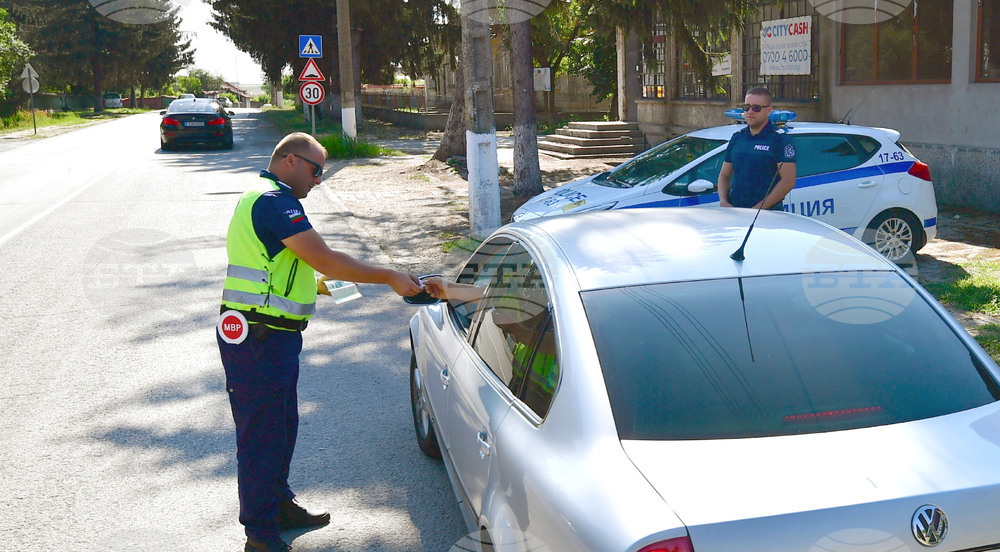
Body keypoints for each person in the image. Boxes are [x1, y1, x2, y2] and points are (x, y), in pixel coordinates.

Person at [217, 132, 423, 552]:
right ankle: (260, 533)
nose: (318, 180)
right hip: (258, 337)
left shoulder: (263, 195)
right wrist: (388, 277)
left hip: (270, 336)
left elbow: (288, 267)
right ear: (289, 161)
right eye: (315, 170)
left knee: (281, 429)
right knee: (261, 436)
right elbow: (324, 257)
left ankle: (279, 505)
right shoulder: (275, 200)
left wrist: (332, 289)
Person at [717, 87, 797, 210]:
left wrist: (759, 208)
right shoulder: (737, 138)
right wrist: (723, 201)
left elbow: (788, 181)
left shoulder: (779, 139)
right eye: (746, 107)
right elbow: (724, 175)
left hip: (767, 214)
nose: (750, 112)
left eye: (756, 108)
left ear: (768, 110)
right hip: (737, 211)